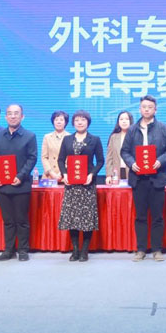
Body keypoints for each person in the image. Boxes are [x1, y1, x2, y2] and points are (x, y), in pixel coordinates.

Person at [120, 95, 166, 262]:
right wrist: (132, 163)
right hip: (138, 179)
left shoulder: (164, 129)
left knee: (158, 216)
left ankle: (157, 250)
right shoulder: (132, 130)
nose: (146, 109)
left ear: (155, 110)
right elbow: (124, 151)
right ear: (140, 109)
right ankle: (141, 249)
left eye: (150, 107)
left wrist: (160, 161)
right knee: (140, 216)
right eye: (144, 107)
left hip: (157, 178)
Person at [0, 104, 37, 262]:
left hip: (21, 185)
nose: (13, 116)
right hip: (2, 185)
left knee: (21, 220)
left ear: (22, 116)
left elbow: (32, 158)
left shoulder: (29, 136)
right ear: (6, 117)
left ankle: (23, 250)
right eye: (10, 113)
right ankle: (8, 250)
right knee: (8, 220)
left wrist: (21, 176)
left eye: (16, 113)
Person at [58, 110, 104, 262]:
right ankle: (75, 250)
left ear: (88, 122)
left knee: (87, 219)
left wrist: (92, 174)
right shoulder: (67, 139)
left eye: (83, 119)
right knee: (72, 218)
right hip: (71, 185)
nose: (80, 122)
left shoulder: (94, 139)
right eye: (77, 120)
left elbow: (100, 161)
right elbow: (60, 160)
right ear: (73, 123)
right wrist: (64, 174)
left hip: (87, 184)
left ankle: (85, 251)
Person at [41, 111, 70, 181]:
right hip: (49, 176)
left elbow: (71, 159)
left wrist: (62, 172)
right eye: (56, 120)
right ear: (53, 122)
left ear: (65, 122)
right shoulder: (47, 137)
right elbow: (44, 157)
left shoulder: (70, 137)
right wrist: (51, 173)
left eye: (61, 120)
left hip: (65, 176)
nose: (58, 122)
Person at [105, 111, 133, 184]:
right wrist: (109, 175)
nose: (124, 121)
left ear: (131, 121)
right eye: (121, 119)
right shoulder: (113, 137)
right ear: (118, 122)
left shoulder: (135, 136)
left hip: (132, 172)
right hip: (116, 173)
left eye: (126, 119)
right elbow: (109, 158)